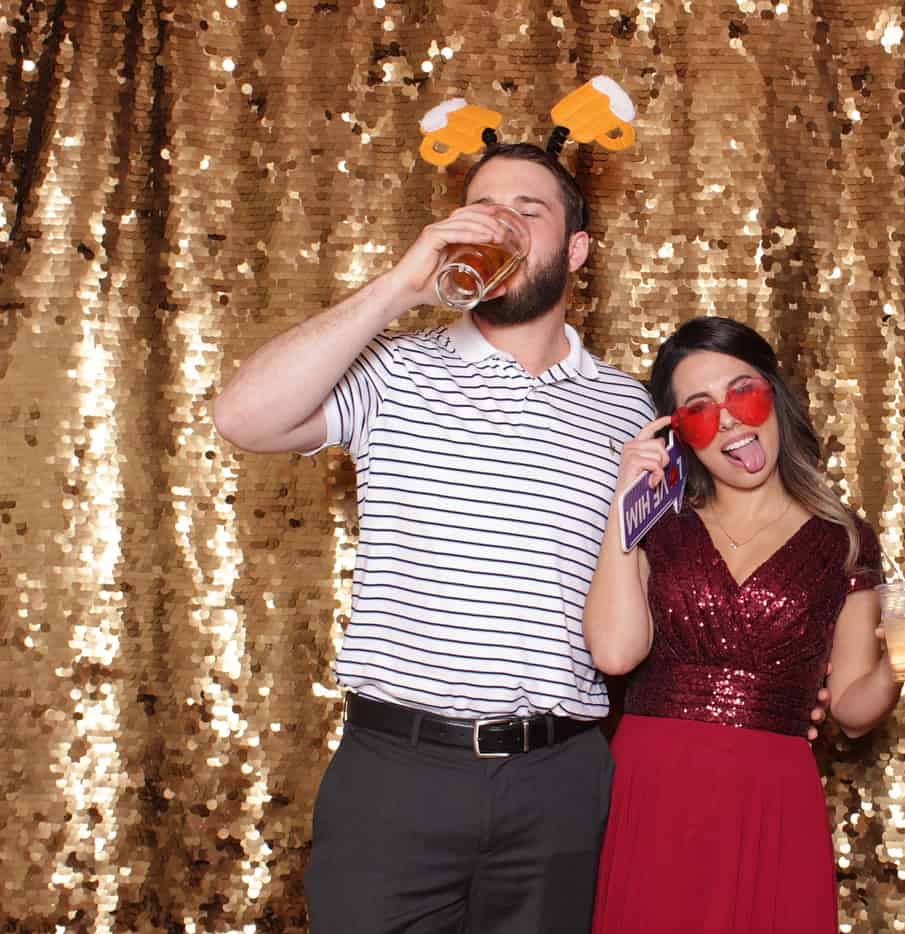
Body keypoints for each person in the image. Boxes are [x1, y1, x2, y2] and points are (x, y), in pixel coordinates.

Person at [212, 142, 659, 933]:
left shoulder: (626, 406)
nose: (506, 226)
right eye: (485, 210)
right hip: (399, 776)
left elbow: (651, 581)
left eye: (530, 211)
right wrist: (402, 286)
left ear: (577, 250)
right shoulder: (392, 371)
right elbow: (243, 417)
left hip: (558, 782)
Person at [584, 316, 905, 933]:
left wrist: (896, 665)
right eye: (700, 411)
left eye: (743, 393)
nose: (728, 420)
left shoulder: (842, 538)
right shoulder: (659, 523)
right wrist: (626, 504)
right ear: (680, 435)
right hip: (652, 789)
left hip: (770, 799)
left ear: (774, 398)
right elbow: (616, 654)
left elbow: (853, 707)